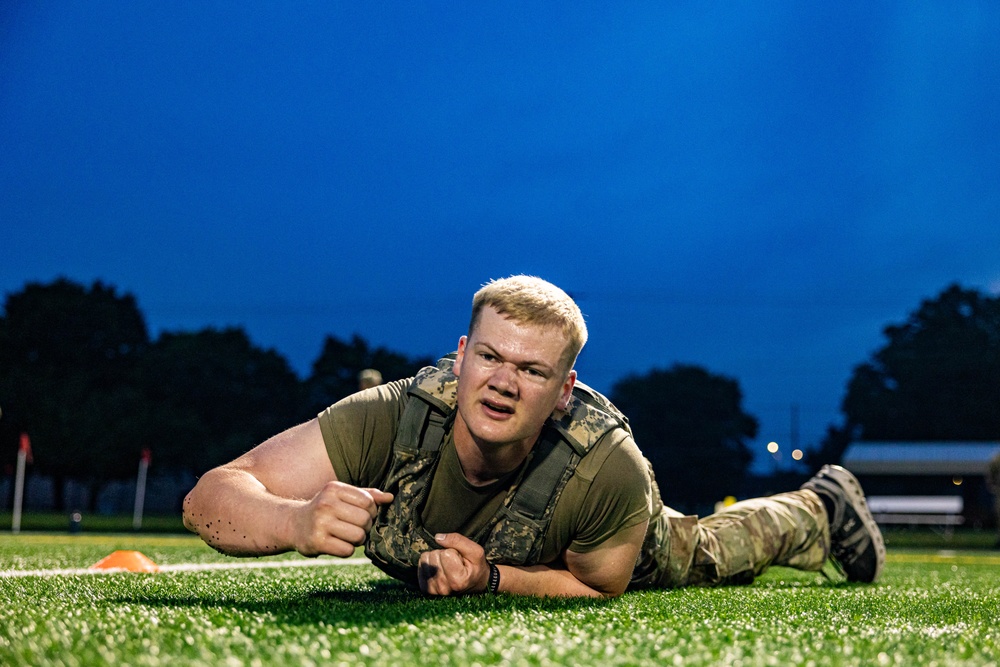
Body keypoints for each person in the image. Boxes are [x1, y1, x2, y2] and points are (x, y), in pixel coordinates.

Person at [183, 275, 885, 597]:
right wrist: (294, 517)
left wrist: (491, 577)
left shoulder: (605, 467)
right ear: (460, 357)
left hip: (597, 542)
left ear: (564, 392)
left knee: (699, 550)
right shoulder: (389, 418)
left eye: (531, 369)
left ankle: (818, 507)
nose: (501, 382)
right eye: (488, 357)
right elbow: (209, 495)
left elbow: (597, 588)